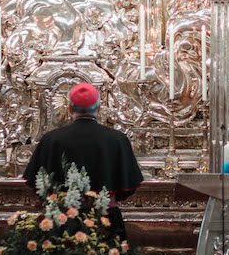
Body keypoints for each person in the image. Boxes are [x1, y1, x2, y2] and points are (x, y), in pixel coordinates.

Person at [24, 83, 143, 238]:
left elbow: (35, 183)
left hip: (60, 220)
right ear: (99, 109)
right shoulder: (118, 140)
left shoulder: (51, 140)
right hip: (105, 219)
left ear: (69, 109)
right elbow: (129, 185)